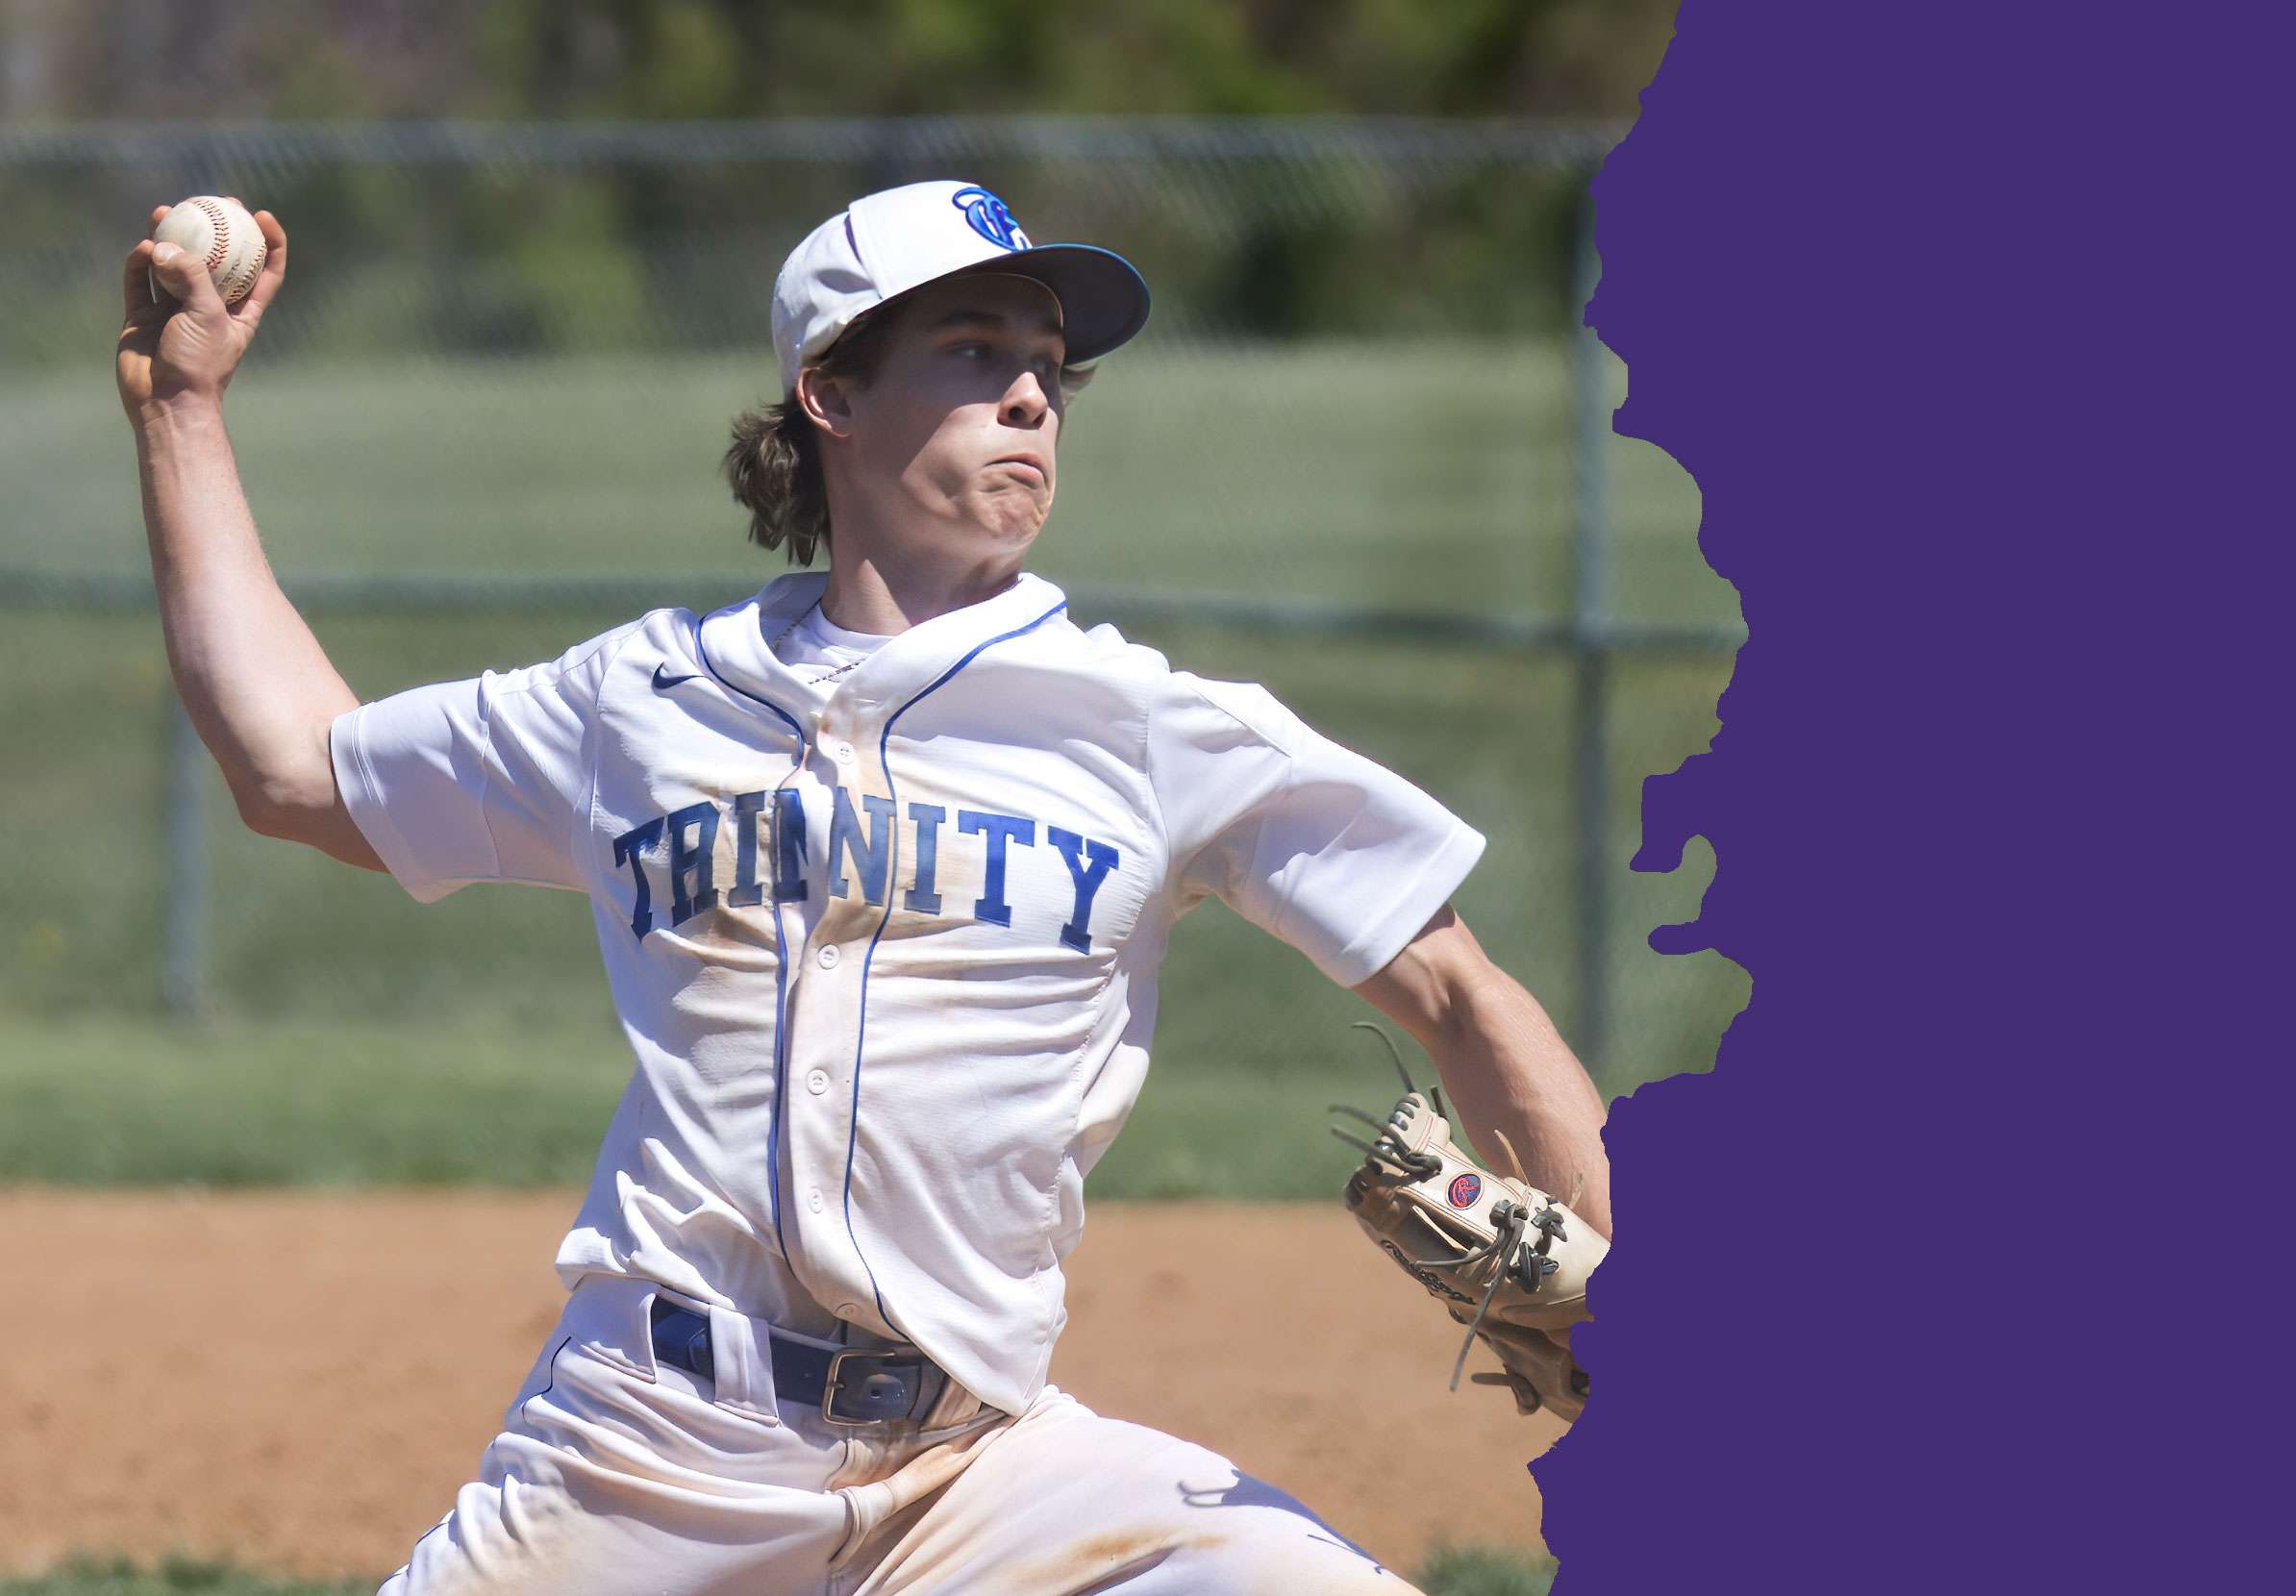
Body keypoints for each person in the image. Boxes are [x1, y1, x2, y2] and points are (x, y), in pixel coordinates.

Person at [116, 179, 1613, 1594]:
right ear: (829, 393)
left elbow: (1457, 993)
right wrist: (181, 409)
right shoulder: (639, 702)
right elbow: (295, 773)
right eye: (973, 353)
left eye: (1045, 366)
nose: (1031, 393)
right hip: (645, 1451)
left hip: (984, 1470)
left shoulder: (1150, 728)